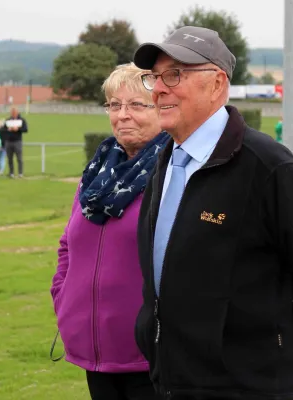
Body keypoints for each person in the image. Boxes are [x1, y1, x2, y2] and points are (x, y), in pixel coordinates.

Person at [133, 26, 293, 400]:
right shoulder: (165, 162)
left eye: (174, 75)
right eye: (154, 77)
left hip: (249, 385)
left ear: (216, 84)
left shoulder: (270, 168)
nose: (159, 88)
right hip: (170, 380)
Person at [50, 63, 168, 400]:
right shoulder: (96, 175)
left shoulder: (174, 173)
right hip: (93, 352)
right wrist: (63, 299)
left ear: (163, 109)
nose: (123, 115)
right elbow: (67, 246)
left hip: (151, 355)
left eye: (136, 105)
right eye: (115, 105)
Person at [3, 107, 28, 178]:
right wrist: (8, 129)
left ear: (17, 113)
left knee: (19, 158)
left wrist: (18, 129)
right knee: (9, 158)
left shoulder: (22, 120)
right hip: (9, 141)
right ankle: (11, 173)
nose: (13, 114)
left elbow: (25, 129)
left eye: (14, 113)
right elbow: (3, 129)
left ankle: (20, 173)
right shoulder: (8, 120)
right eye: (12, 113)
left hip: (17, 141)